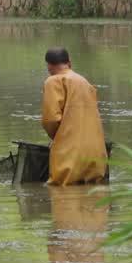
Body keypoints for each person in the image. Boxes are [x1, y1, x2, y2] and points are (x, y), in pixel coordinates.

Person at [41, 47, 108, 185]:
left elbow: (51, 119)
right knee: (93, 196)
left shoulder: (53, 81)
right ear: (69, 63)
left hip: (70, 155)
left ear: (49, 65)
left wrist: (57, 139)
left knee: (63, 194)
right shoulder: (85, 82)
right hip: (96, 153)